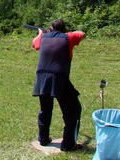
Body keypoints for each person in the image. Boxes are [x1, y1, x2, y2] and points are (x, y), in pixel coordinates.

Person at [31, 19, 85, 152]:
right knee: (73, 110)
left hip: (42, 77)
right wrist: (67, 33)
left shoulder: (43, 37)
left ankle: (43, 139)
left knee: (45, 109)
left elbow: (35, 44)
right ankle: (68, 144)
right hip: (59, 77)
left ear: (51, 28)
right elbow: (82, 33)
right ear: (64, 29)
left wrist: (40, 33)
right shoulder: (68, 37)